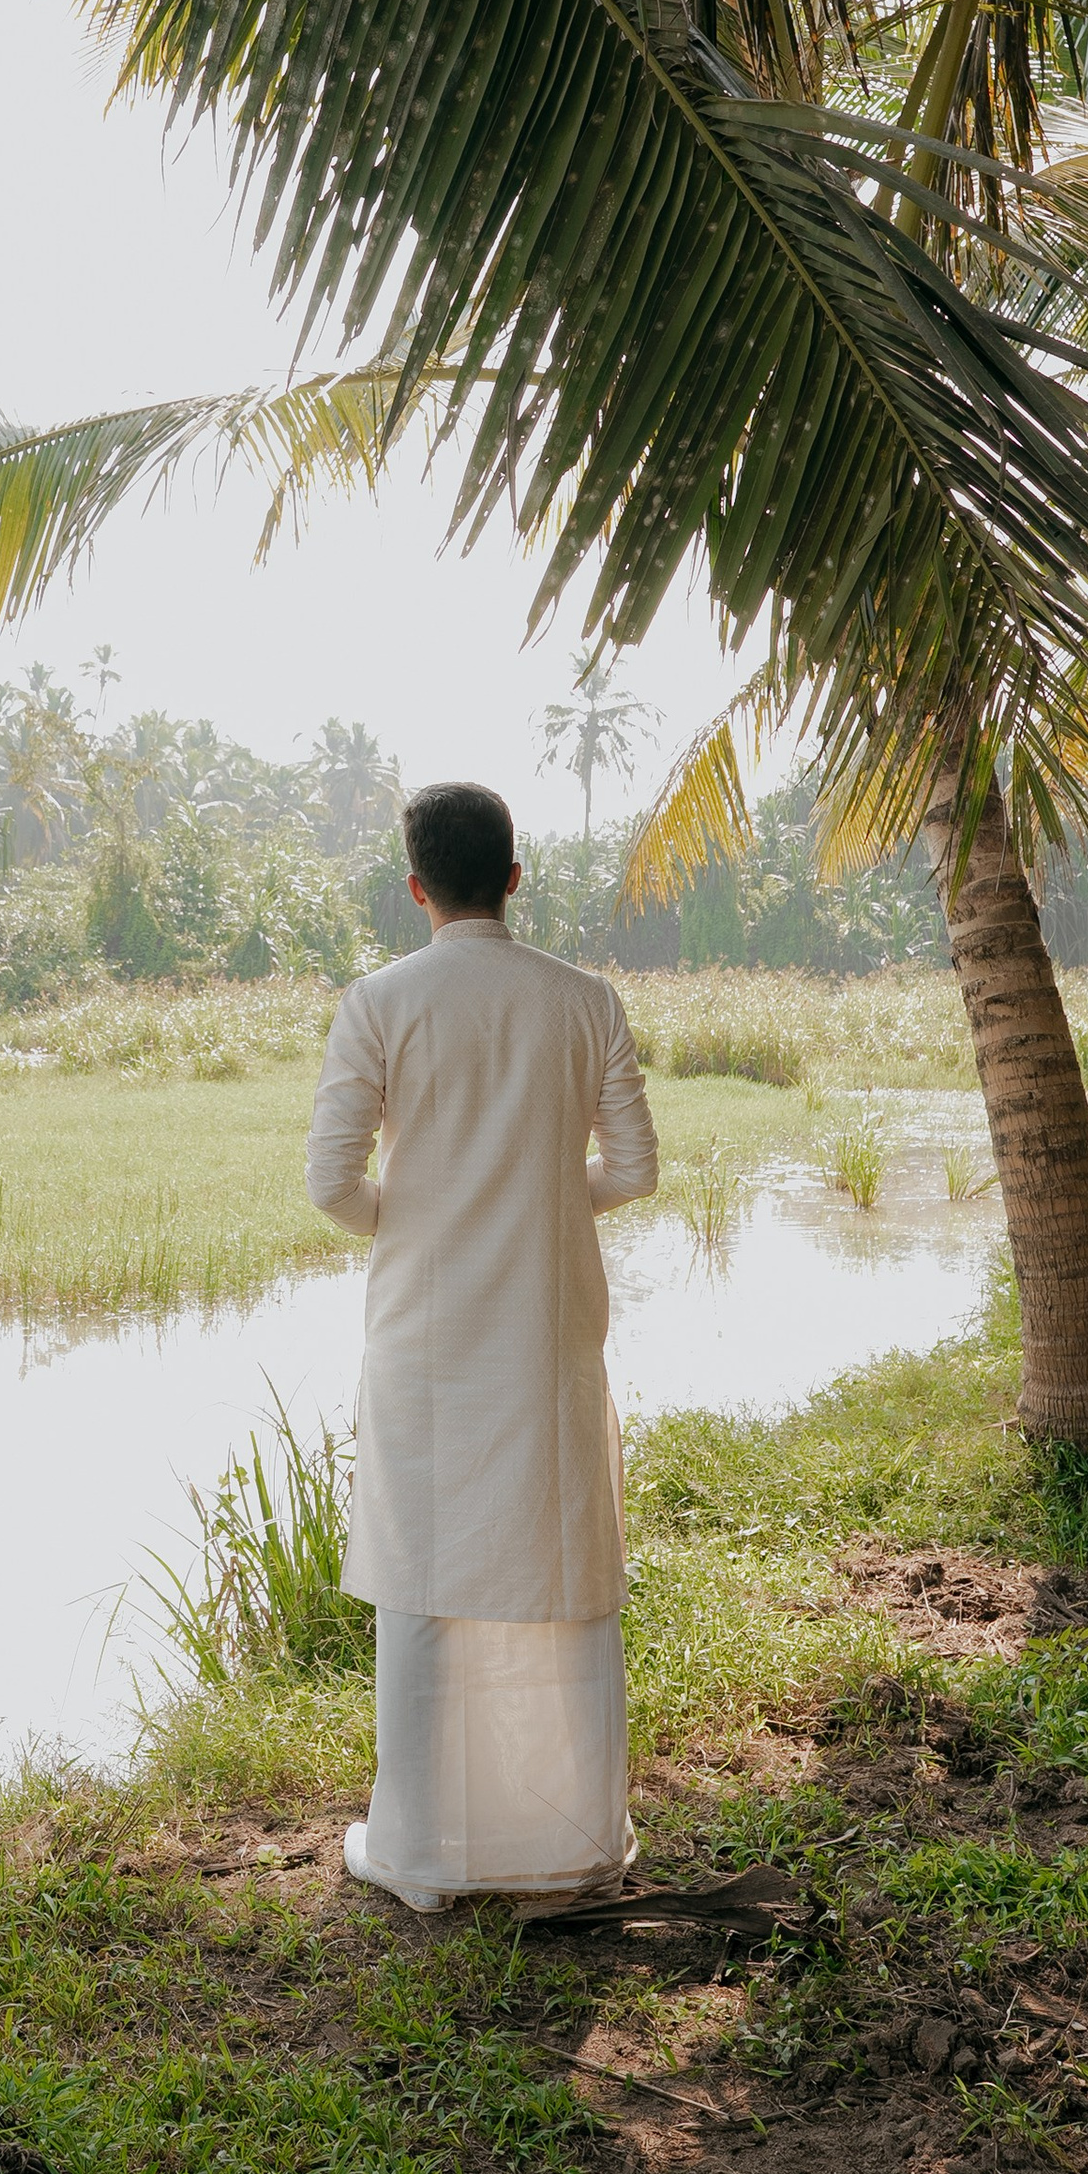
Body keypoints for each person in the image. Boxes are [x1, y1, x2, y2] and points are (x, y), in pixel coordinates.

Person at [304, 779, 659, 1913]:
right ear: (512, 875)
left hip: (426, 1333)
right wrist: (544, 1209)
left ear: (416, 887)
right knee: (558, 1556)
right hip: (547, 1331)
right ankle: (571, 1843)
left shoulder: (379, 1000)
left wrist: (419, 1219)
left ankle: (418, 1855)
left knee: (423, 1568)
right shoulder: (584, 1000)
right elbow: (636, 1171)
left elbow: (330, 1184)